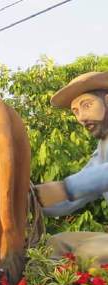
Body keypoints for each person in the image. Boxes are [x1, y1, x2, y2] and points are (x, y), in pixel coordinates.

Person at [34, 71, 108, 265]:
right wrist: (30, 201)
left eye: (87, 105)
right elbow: (72, 200)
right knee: (52, 245)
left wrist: (64, 188)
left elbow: (94, 179)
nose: (81, 117)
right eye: (75, 111)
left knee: (88, 253)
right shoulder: (102, 150)